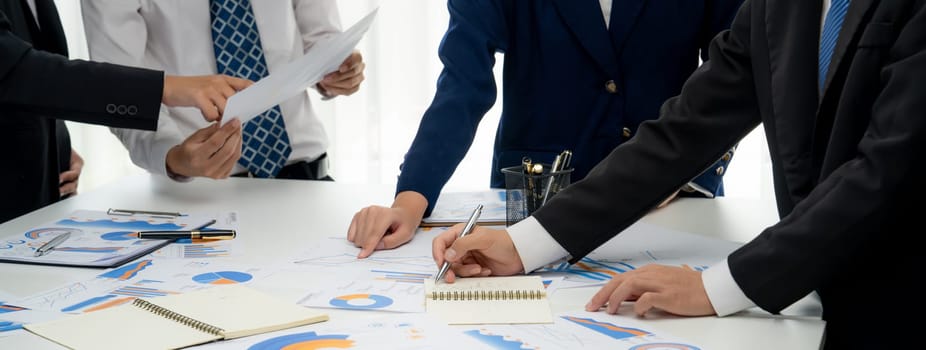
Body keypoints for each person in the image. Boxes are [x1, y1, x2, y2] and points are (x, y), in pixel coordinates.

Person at [432, 0, 923, 348]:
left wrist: (718, 286)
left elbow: (890, 169)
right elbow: (684, 130)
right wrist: (526, 242)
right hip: (818, 301)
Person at [347, 0, 744, 258]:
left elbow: (734, 76)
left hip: (672, 196)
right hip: (539, 194)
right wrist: (410, 200)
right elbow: (463, 83)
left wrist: (683, 181)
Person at [0, 3, 249, 223]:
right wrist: (164, 87)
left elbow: (31, 78)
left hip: (37, 206)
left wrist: (55, 143)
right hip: (16, 217)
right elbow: (16, 70)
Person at [81, 0, 365, 181]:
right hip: (199, 194)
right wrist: (173, 156)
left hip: (306, 176)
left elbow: (320, 38)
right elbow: (118, 91)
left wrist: (336, 70)